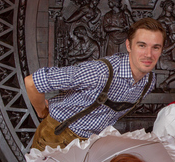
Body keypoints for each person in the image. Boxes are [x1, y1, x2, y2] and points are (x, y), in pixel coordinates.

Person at [25, 18, 166, 151]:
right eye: (141, 45)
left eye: (155, 47)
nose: (148, 54)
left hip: (91, 144)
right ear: (129, 45)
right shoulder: (99, 72)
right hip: (57, 137)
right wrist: (42, 111)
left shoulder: (148, 82)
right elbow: (32, 82)